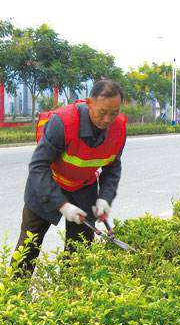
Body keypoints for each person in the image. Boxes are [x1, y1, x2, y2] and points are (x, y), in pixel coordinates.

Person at [12, 79, 127, 277]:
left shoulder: (118, 130)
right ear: (89, 103)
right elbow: (38, 167)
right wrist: (62, 205)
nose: (108, 119)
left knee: (79, 254)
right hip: (47, 186)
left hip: (83, 189)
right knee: (28, 248)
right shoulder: (63, 123)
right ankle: (13, 296)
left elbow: (112, 167)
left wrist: (104, 199)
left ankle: (70, 298)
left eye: (114, 113)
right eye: (102, 112)